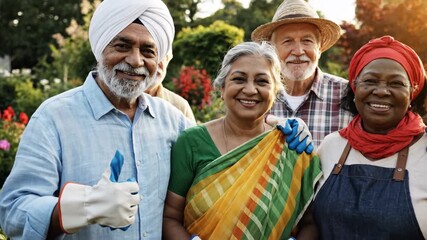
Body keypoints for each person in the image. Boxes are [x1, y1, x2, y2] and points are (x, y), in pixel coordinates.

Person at [0, 0, 194, 239]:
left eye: (148, 51)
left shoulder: (175, 122)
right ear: (101, 47)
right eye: (122, 45)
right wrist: (81, 206)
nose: (135, 61)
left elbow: (191, 205)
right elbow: (13, 212)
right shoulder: (53, 118)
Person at [162, 41, 321, 240]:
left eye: (262, 81)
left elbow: (310, 223)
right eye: (239, 79)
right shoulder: (191, 143)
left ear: (275, 92)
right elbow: (170, 217)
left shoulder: (291, 145)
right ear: (222, 88)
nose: (250, 90)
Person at [312, 36, 427, 238]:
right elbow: (307, 221)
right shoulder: (332, 146)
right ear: (355, 88)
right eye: (370, 81)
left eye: (396, 83)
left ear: (412, 91)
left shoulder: (424, 150)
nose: (381, 91)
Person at [251, 0, 353, 147]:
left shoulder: (347, 95)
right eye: (287, 41)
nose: (298, 51)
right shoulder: (257, 94)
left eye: (307, 41)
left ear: (319, 48)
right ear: (272, 49)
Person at [145, 50, 196, 123]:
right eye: (150, 54)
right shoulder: (123, 102)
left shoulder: (180, 105)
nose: (158, 63)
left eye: (163, 57)